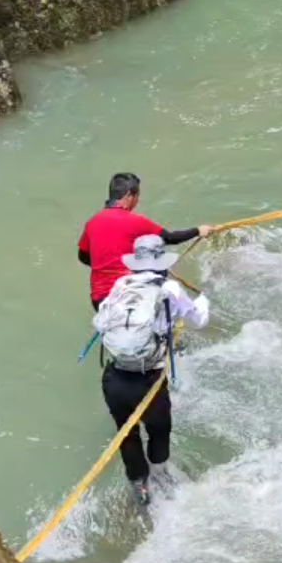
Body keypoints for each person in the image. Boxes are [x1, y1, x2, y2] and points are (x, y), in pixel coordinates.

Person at [94, 233, 210, 505]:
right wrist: (204, 300)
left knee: (127, 432)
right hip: (149, 381)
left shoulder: (121, 284)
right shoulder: (170, 289)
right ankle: (161, 476)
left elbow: (98, 323)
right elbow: (198, 320)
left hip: (114, 378)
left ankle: (140, 486)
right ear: (161, 262)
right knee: (159, 430)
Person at [78, 173, 213, 309]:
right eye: (137, 197)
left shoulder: (92, 222)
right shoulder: (135, 221)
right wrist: (198, 231)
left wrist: (107, 262)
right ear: (129, 196)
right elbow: (170, 238)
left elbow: (83, 257)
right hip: (128, 294)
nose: (137, 201)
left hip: (99, 299)